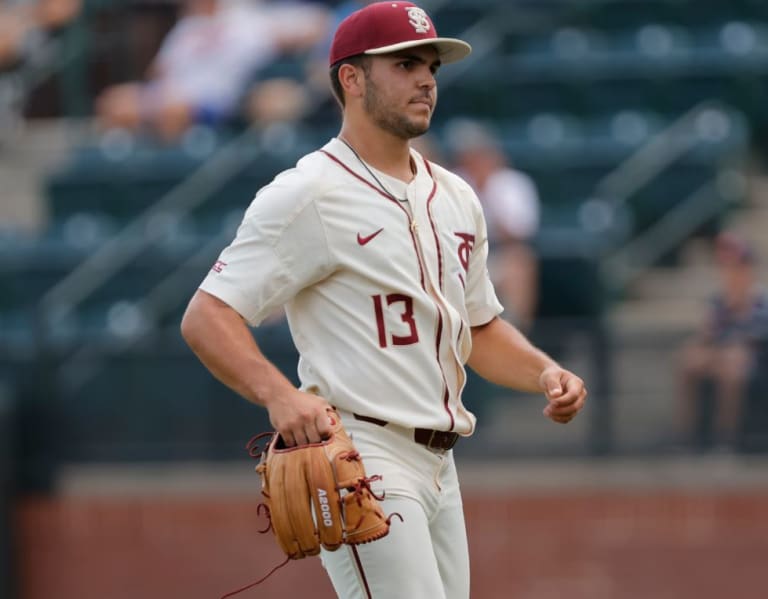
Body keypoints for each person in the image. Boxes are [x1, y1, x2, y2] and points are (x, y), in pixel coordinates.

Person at [180, 3, 587, 598]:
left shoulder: (456, 195)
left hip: (441, 465)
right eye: (404, 63)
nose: (426, 78)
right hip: (365, 454)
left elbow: (479, 328)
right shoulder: (308, 193)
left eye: (431, 65)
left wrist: (545, 372)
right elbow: (207, 315)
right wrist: (278, 395)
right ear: (351, 77)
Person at [94, 0, 328, 141]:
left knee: (172, 110)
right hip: (170, 95)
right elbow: (157, 72)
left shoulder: (246, 21)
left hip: (216, 102)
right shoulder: (188, 26)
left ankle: (173, 167)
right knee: (114, 102)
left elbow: (316, 24)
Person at [446, 118, 541, 331]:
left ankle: (517, 332)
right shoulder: (453, 181)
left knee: (520, 261)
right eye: (469, 154)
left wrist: (487, 189)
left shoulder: (512, 182)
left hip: (499, 253)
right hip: (462, 254)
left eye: (479, 153)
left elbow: (516, 234)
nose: (475, 160)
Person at [677, 231, 768, 451]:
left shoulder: (760, 298)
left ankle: (725, 438)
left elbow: (758, 335)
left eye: (736, 264)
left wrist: (741, 309)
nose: (731, 271)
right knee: (688, 360)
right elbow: (707, 334)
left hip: (753, 359)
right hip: (720, 353)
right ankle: (687, 436)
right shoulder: (720, 300)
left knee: (732, 367)